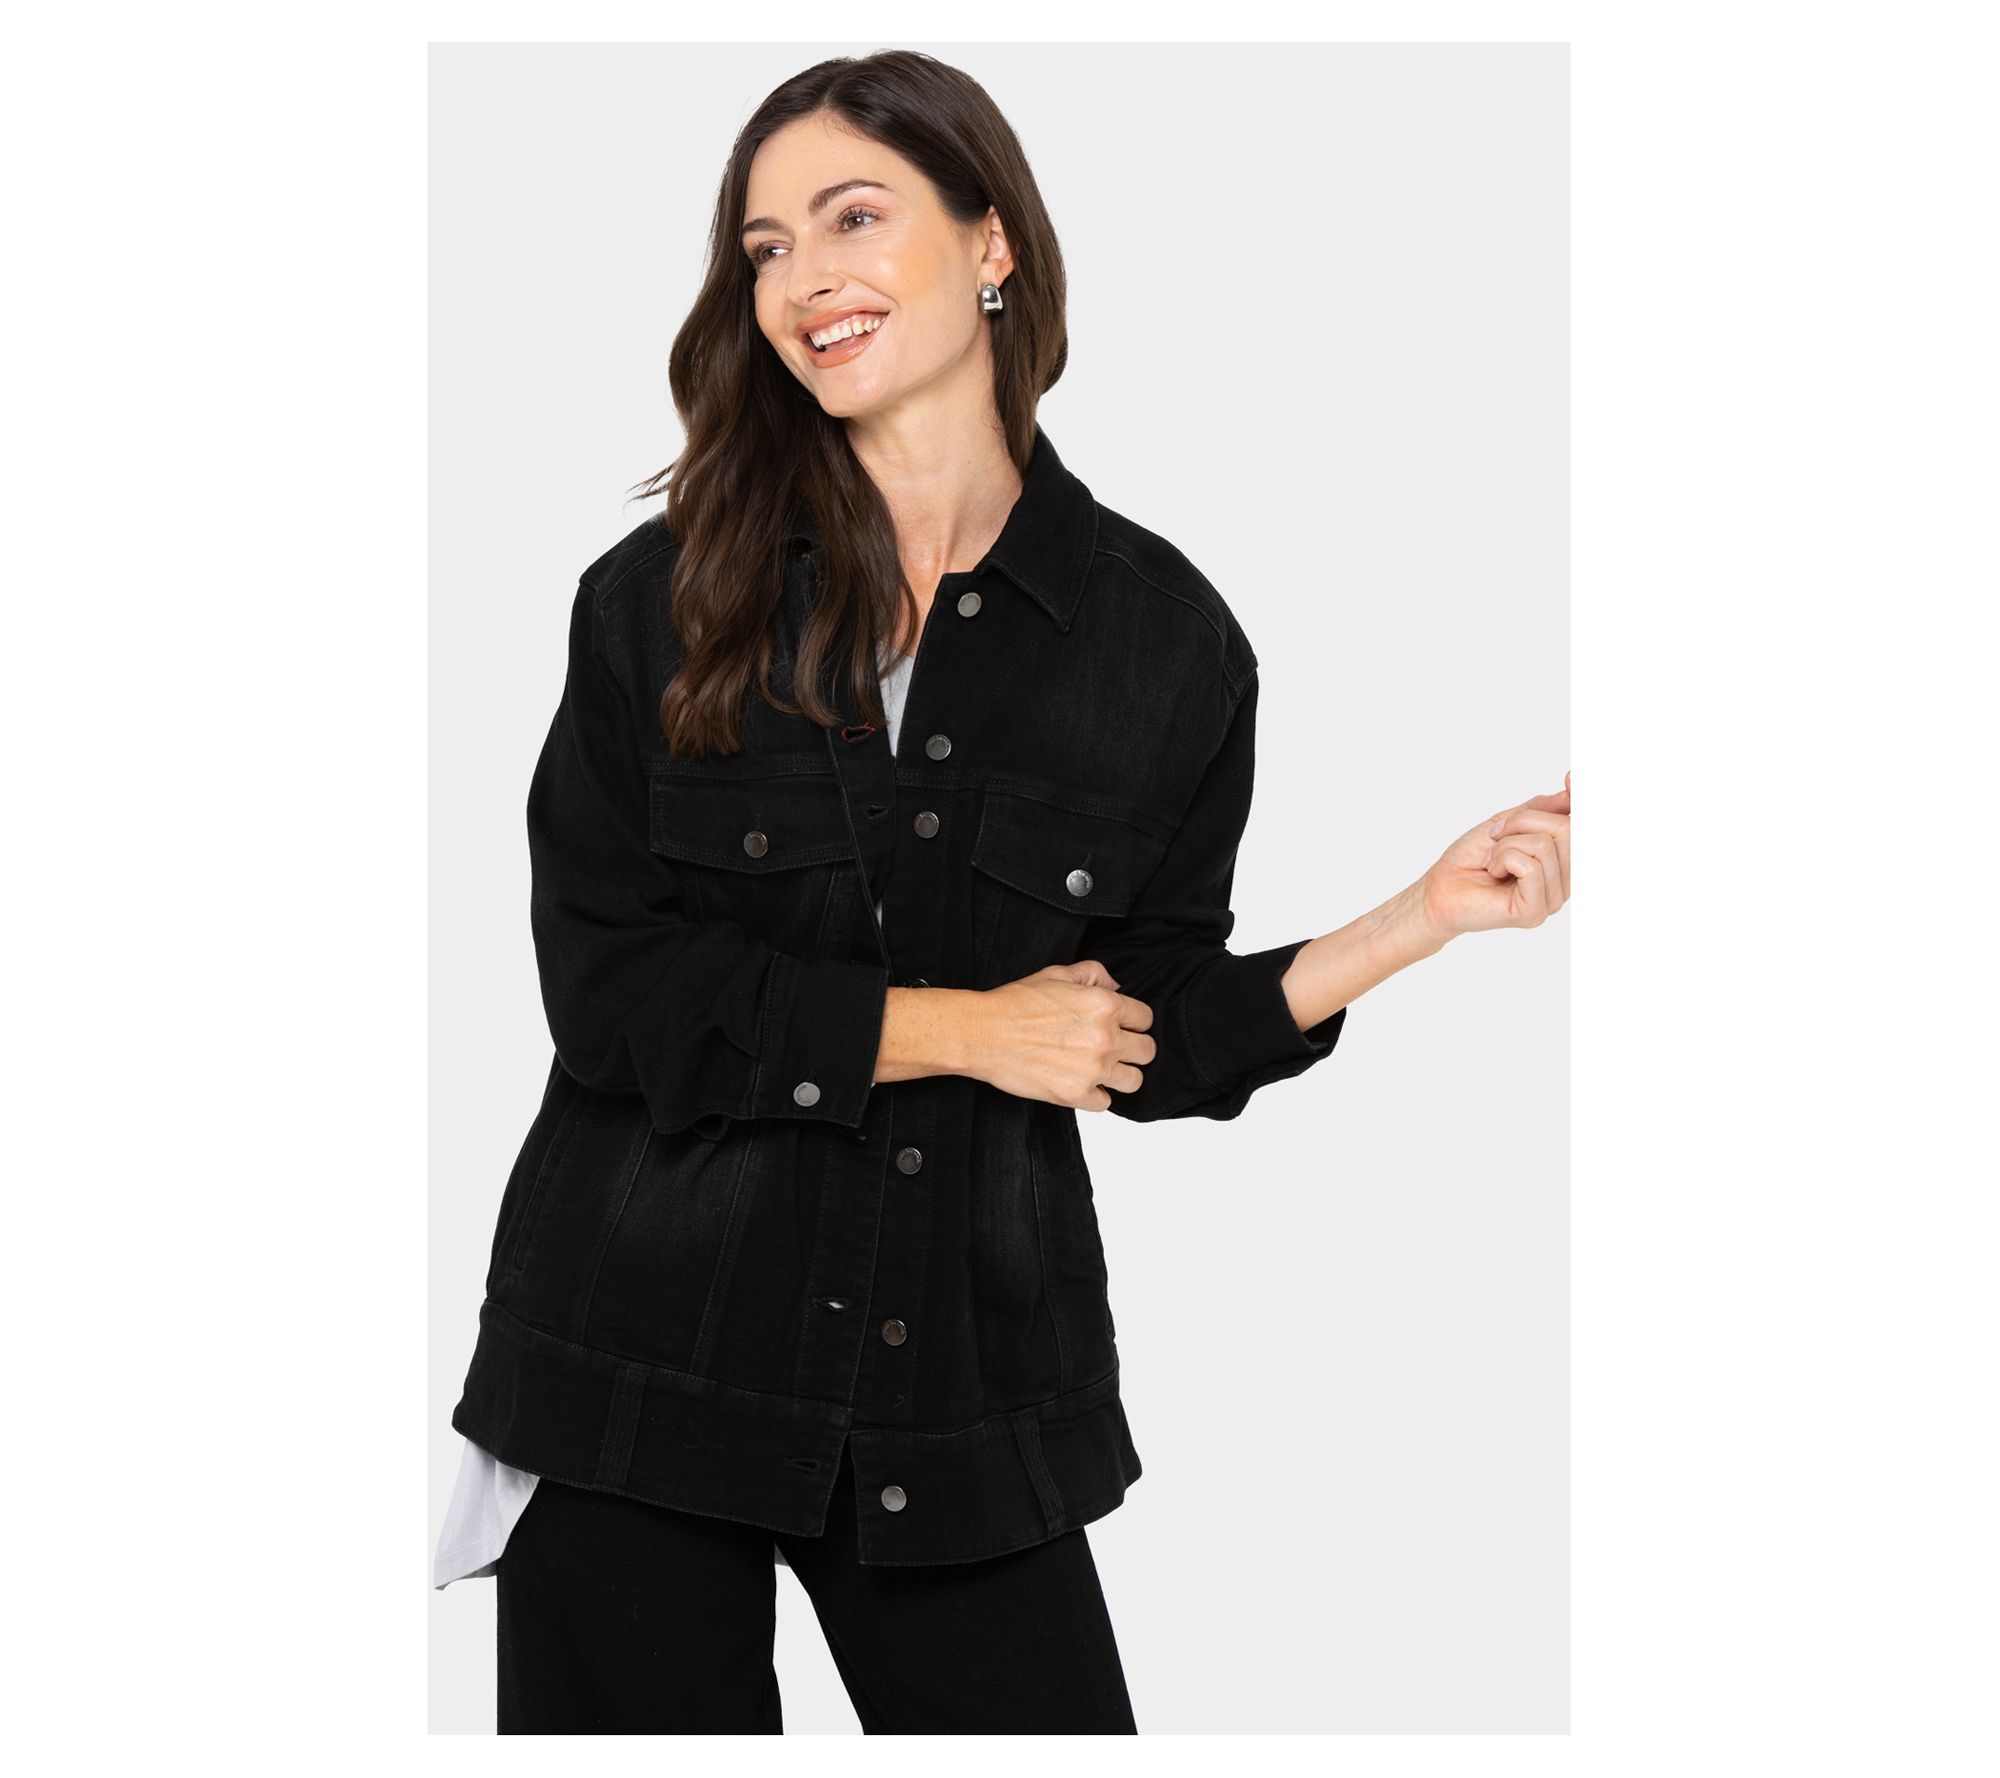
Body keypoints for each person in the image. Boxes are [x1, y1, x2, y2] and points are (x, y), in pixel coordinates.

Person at [435, 49, 1571, 1736]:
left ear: (992, 243)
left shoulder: (1162, 642)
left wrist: (1417, 918)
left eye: (852, 217)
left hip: (955, 1383)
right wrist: (965, 1028)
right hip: (637, 1364)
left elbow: (1142, 1031)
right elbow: (612, 997)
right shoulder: (661, 597)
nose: (803, 278)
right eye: (765, 248)